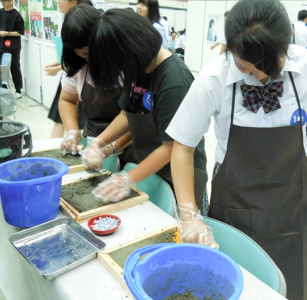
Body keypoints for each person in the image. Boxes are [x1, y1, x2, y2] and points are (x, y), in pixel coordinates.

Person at [166, 1, 307, 299]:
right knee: (236, 286)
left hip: (292, 205)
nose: (257, 76)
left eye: (266, 67)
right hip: (235, 203)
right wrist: (190, 215)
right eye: (245, 66)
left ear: (288, 43)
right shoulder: (214, 79)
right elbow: (183, 146)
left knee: (295, 286)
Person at [86, 9, 208, 214]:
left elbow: (171, 148)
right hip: (151, 171)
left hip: (180, 178)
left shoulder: (174, 81)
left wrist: (126, 179)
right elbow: (127, 114)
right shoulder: (138, 69)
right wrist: (99, 143)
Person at [58, 5, 132, 165]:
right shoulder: (77, 65)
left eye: (86, 51)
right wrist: (72, 132)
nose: (82, 56)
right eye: (76, 51)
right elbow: (67, 100)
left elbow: (131, 116)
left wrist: (111, 147)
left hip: (129, 141)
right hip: (93, 142)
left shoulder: (125, 63)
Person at [45, 0, 92, 138]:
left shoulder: (85, 19)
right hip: (71, 73)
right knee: (62, 116)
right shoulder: (69, 19)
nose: (58, 1)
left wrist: (59, 67)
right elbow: (73, 55)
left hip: (76, 73)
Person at [0, 0, 24, 98]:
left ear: (10, 0)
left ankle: (18, 90)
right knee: (0, 68)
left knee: (14, 67)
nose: (3, 3)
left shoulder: (17, 15)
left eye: (5, 1)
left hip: (13, 46)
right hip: (1, 45)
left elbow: (20, 32)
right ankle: (3, 89)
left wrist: (8, 33)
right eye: (1, 1)